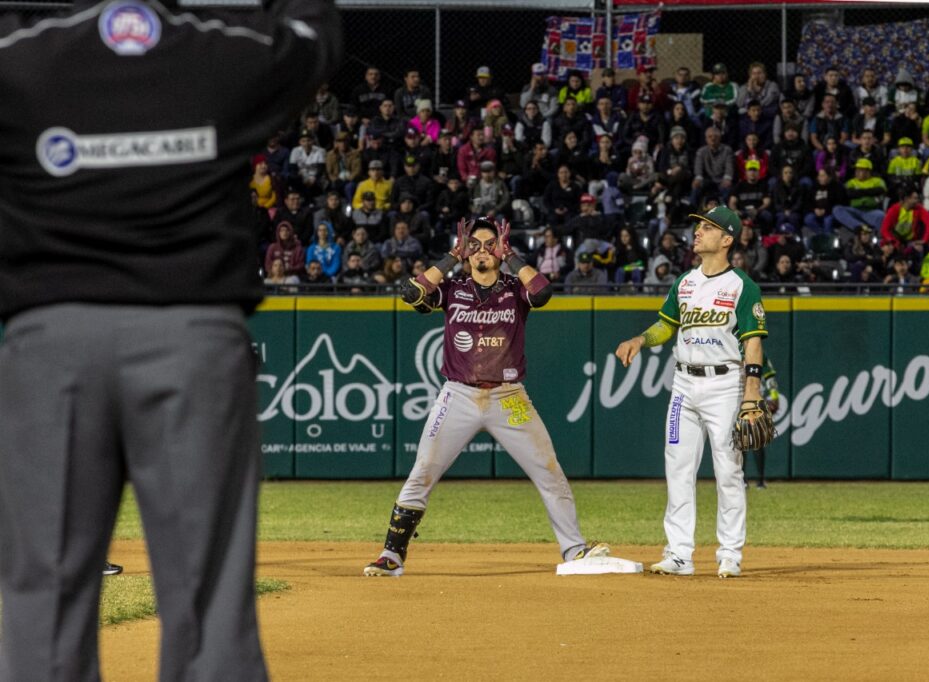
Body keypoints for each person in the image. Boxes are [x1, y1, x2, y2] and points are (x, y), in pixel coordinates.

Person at [0, 0, 339, 678]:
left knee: (45, 599)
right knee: (209, 606)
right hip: (192, 336)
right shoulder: (225, 51)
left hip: (52, 340)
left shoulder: (20, 57)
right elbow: (313, 36)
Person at [364, 219, 610, 577]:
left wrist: (510, 255)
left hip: (508, 397)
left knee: (548, 470)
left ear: (500, 248)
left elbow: (542, 292)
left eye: (489, 244)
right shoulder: (453, 288)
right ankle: (391, 556)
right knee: (424, 470)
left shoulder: (514, 288)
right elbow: (411, 293)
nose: (482, 250)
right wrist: (453, 255)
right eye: (475, 245)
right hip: (459, 394)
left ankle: (574, 550)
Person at [614, 205, 766, 578]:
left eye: (708, 227)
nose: (698, 231)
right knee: (678, 467)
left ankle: (729, 554)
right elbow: (666, 325)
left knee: (728, 470)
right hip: (684, 383)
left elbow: (753, 342)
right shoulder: (685, 282)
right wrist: (640, 339)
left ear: (727, 239)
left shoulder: (742, 287)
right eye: (699, 226)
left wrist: (751, 393)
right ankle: (679, 554)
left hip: (725, 384)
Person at [744, 354, 779, 489]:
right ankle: (742, 479)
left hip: (756, 397)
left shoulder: (759, 353)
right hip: (735, 396)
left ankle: (760, 480)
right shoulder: (730, 349)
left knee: (757, 440)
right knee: (741, 440)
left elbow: (769, 376)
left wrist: (774, 396)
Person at [833, 159, 887, 232]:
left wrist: (858, 192)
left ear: (868, 172)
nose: (857, 172)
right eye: (856, 170)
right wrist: (870, 193)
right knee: (837, 209)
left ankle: (879, 237)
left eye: (861, 170)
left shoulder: (878, 181)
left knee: (881, 216)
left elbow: (881, 190)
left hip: (871, 211)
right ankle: (860, 227)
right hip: (854, 210)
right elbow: (849, 193)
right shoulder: (851, 182)